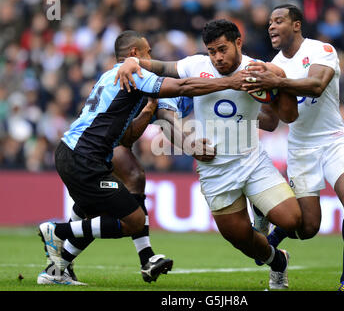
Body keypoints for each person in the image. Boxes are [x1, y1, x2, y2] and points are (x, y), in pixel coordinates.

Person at [38, 30, 246, 285]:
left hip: (76, 154)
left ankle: (57, 272)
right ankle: (56, 231)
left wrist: (148, 108)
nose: (151, 57)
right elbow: (183, 86)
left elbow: (127, 138)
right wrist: (230, 82)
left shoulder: (110, 77)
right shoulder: (135, 74)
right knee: (133, 219)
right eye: (148, 52)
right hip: (83, 157)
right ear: (135, 54)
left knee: (93, 215)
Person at [115, 19, 302, 290]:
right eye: (211, 51)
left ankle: (260, 210)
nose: (217, 57)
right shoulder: (195, 65)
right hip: (214, 169)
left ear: (238, 42)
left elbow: (272, 123)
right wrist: (134, 63)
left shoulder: (257, 70)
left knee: (292, 220)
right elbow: (162, 67)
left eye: (222, 49)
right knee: (241, 239)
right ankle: (278, 263)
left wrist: (269, 96)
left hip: (251, 160)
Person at [243, 4, 344, 291]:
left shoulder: (322, 50)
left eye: (279, 21)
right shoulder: (273, 65)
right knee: (308, 229)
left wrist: (278, 81)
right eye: (269, 22)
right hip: (300, 147)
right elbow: (272, 122)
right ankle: (269, 223)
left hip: (333, 139)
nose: (271, 26)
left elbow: (317, 85)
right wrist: (238, 117)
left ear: (296, 25)